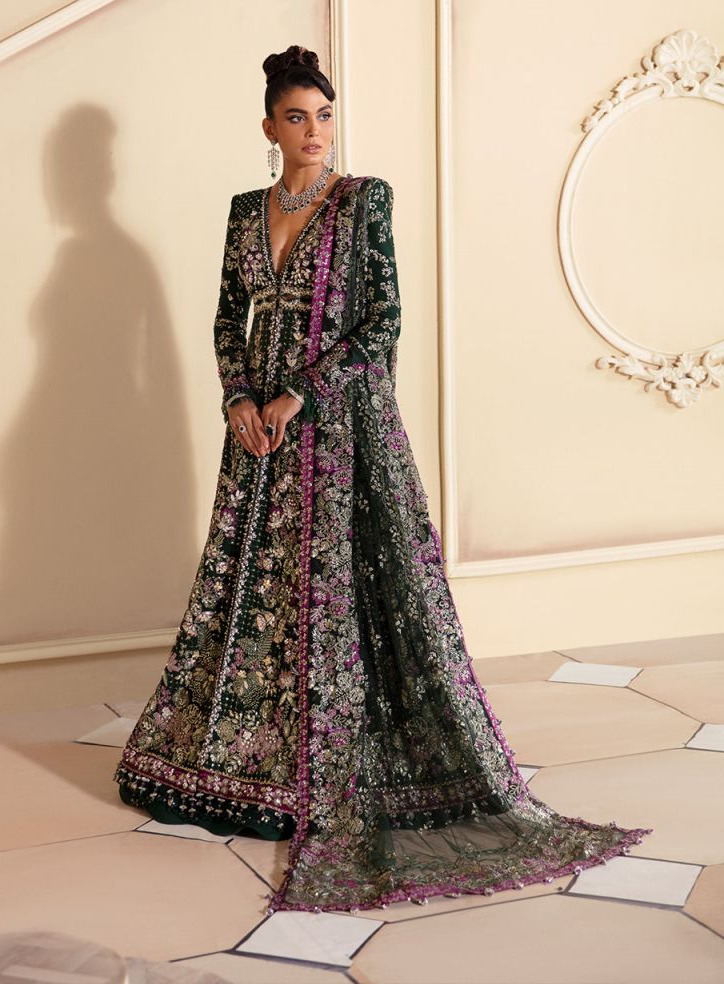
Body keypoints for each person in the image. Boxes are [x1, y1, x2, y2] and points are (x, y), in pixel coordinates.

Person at [113, 44, 654, 914]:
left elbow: (382, 319)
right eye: (297, 117)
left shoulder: (364, 200)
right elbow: (225, 319)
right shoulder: (246, 212)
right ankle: (246, 766)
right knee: (255, 591)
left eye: (325, 115)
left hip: (338, 429)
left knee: (340, 594)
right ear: (269, 128)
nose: (315, 131)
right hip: (257, 437)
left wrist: (298, 393)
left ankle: (337, 762)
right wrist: (238, 398)